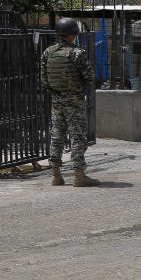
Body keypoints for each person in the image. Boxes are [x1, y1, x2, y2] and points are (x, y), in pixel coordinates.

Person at [42, 18, 99, 186]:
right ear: (73, 34)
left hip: (56, 100)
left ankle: (56, 175)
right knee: (78, 137)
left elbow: (44, 79)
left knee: (57, 136)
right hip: (74, 100)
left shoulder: (48, 52)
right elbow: (89, 77)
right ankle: (79, 176)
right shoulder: (77, 53)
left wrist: (55, 92)